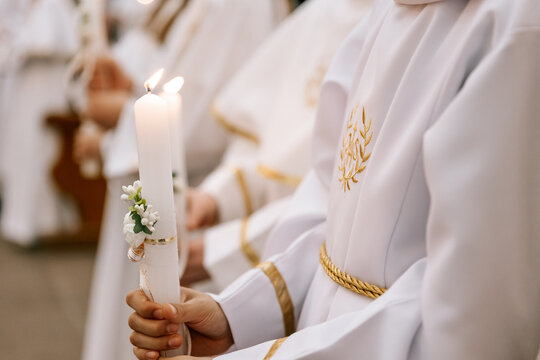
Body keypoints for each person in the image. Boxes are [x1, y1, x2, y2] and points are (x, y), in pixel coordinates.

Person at [126, 0, 540, 359]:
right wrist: (236, 315)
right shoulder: (387, 11)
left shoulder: (514, 29)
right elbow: (330, 210)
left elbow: (471, 324)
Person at [81, 2, 290, 360]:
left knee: (170, 328)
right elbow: (168, 84)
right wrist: (131, 88)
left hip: (193, 188)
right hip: (162, 177)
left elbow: (205, 121)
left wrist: (111, 130)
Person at [181, 0, 373, 290]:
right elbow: (261, 134)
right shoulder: (320, 12)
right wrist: (217, 196)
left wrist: (224, 250)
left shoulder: (401, 27)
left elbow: (341, 195)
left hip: (323, 275)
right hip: (252, 248)